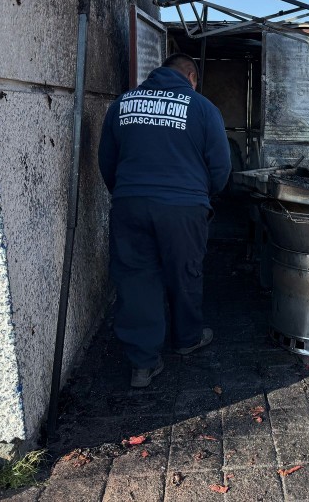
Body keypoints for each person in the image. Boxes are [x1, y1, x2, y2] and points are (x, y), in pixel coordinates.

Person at [98, 53, 231, 387]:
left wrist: (127, 193)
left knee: (135, 279)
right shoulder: (202, 107)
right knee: (185, 272)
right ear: (191, 77)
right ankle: (187, 339)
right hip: (184, 207)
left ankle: (142, 364)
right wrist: (203, 195)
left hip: (130, 203)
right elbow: (221, 166)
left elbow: (107, 160)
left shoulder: (122, 104)